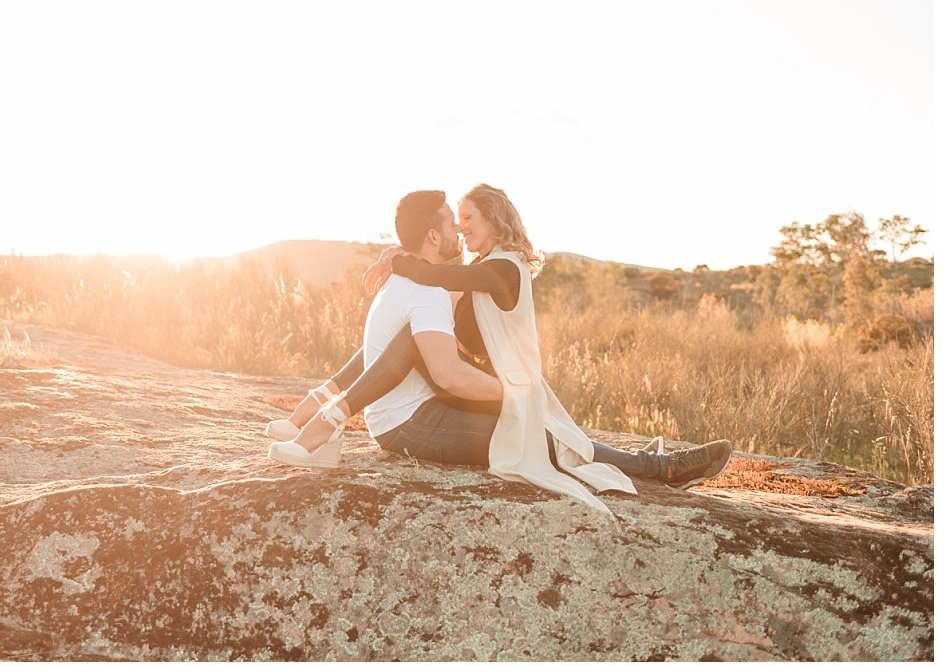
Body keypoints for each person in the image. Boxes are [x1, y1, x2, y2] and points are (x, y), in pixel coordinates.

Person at [268, 187, 732, 512]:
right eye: (455, 221)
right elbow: (406, 348)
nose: (461, 228)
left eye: (467, 219)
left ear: (493, 220)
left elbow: (438, 280)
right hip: (448, 400)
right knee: (543, 440)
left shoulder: (502, 271)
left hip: (494, 385)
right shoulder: (445, 281)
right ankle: (660, 465)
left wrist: (399, 256)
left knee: (549, 440)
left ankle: (661, 466)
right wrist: (403, 256)